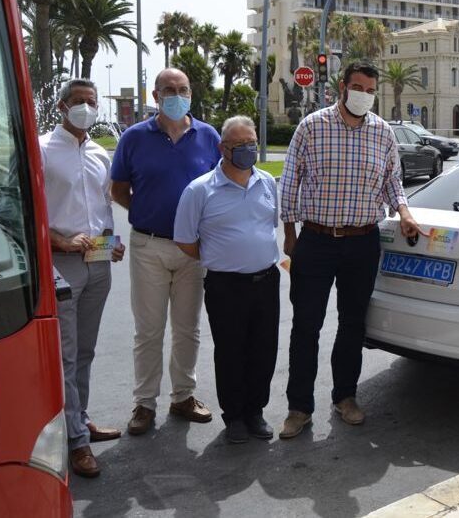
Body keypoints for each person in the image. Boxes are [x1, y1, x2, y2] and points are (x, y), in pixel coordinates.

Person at [278, 61, 422, 439]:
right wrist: (290, 235)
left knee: (352, 324)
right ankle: (299, 407)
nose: (364, 95)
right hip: (316, 239)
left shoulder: (383, 132)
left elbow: (394, 182)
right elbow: (290, 180)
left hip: (362, 241)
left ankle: (345, 397)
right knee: (306, 325)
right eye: (358, 86)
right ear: (343, 86)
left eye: (370, 89)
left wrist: (404, 213)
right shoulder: (312, 127)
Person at [111, 68, 221, 435]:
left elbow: (218, 190)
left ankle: (183, 397)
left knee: (188, 329)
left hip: (194, 250)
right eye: (169, 90)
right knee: (149, 331)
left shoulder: (208, 136)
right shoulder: (133, 137)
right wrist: (147, 213)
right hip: (149, 245)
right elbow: (119, 189)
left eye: (183, 89)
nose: (177, 95)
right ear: (156, 97)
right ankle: (144, 404)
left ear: (191, 93)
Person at [174, 116, 280, 444]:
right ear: (223, 148)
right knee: (231, 351)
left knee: (264, 349)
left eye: (251, 143)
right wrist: (222, 258)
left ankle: (255, 411)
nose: (247, 150)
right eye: (239, 145)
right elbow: (186, 240)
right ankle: (233, 416)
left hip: (266, 281)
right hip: (225, 285)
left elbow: (270, 225)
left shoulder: (267, 183)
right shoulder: (200, 190)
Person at [39, 79, 126, 477]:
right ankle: (76, 442)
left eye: (91, 102)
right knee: (67, 355)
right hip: (61, 264)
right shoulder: (41, 149)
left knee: (86, 351)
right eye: (78, 102)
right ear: (61, 106)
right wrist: (58, 239)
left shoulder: (97, 152)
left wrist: (112, 243)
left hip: (98, 262)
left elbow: (103, 209)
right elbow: (31, 211)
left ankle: (80, 420)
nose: (86, 108)